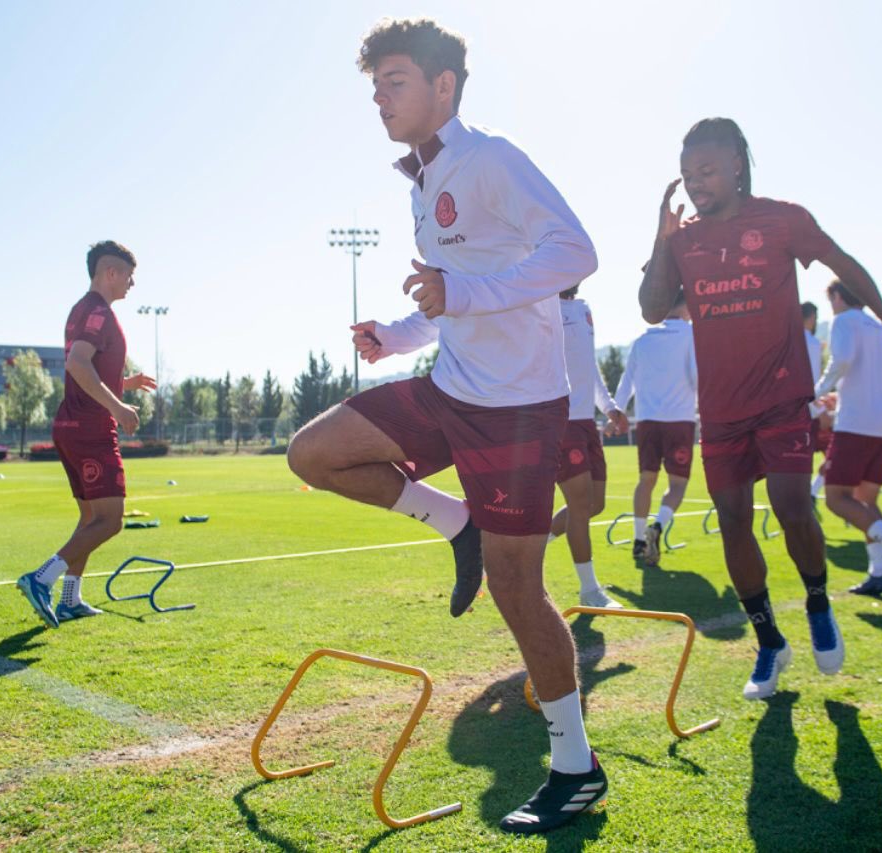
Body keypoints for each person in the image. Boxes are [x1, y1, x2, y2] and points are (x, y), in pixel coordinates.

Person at [285, 19, 606, 834]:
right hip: (447, 386)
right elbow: (452, 295)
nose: (380, 99)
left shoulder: (491, 158)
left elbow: (576, 253)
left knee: (517, 589)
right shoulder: (421, 183)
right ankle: (452, 522)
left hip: (518, 411)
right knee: (313, 453)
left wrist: (458, 295)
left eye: (395, 82)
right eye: (375, 87)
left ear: (444, 88)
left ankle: (576, 765)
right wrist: (398, 334)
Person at [638, 117, 882, 700]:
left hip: (784, 399)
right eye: (688, 176)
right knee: (734, 520)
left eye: (707, 171)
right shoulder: (682, 239)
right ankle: (769, 642)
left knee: (792, 504)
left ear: (737, 163)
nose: (696, 185)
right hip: (721, 411)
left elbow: (843, 262)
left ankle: (817, 604)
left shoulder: (783, 219)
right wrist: (661, 239)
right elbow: (652, 308)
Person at [18, 241, 155, 627]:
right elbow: (78, 363)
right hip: (91, 431)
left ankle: (70, 599)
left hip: (70, 426)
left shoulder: (83, 309)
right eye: (129, 275)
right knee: (110, 521)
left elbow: (88, 368)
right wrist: (117, 407)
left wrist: (122, 384)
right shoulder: (98, 312)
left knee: (90, 518)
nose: (132, 283)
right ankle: (41, 579)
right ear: (110, 273)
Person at [815, 280, 882, 595]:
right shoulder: (881, 326)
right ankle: (880, 571)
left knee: (836, 498)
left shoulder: (843, 320)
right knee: (865, 501)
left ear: (836, 296)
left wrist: (815, 394)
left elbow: (843, 360)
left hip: (857, 423)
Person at [546, 285, 628, 607]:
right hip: (560, 420)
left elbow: (588, 366)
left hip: (586, 422)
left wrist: (608, 406)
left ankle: (532, 548)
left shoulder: (583, 309)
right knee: (580, 506)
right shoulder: (539, 305)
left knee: (595, 504)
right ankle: (590, 591)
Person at [613, 289, 697, 565]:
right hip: (679, 421)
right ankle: (657, 526)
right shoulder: (691, 336)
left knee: (645, 481)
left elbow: (627, 381)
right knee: (677, 485)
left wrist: (617, 411)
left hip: (648, 420)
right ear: (687, 308)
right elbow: (697, 378)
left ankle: (638, 541)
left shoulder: (642, 339)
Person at [803, 301, 832, 498]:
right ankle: (810, 496)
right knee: (835, 454)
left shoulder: (784, 339)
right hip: (809, 411)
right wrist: (819, 409)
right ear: (812, 318)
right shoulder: (811, 343)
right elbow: (812, 380)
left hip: (787, 410)